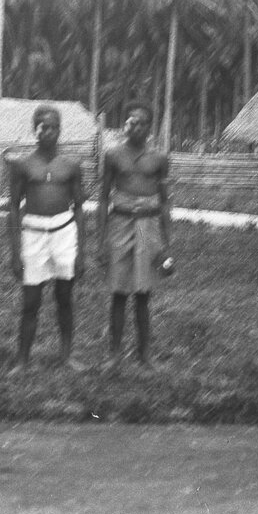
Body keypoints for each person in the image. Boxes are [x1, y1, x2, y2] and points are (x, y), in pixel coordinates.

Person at [7, 106, 87, 374]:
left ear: (60, 130)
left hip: (64, 232)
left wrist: (81, 253)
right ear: (35, 130)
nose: (48, 131)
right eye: (42, 126)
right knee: (31, 301)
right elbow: (15, 207)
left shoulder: (71, 165)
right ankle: (22, 360)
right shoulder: (22, 165)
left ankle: (66, 356)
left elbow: (78, 207)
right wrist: (15, 251)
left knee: (64, 297)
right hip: (33, 233)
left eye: (53, 127)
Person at [97, 101, 172, 369]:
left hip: (147, 227)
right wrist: (101, 241)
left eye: (141, 123)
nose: (135, 127)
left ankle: (145, 354)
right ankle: (114, 354)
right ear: (124, 125)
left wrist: (166, 245)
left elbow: (164, 202)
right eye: (131, 122)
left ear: (149, 128)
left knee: (143, 295)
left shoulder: (159, 158)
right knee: (118, 293)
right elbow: (104, 198)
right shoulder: (113, 155)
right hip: (120, 223)